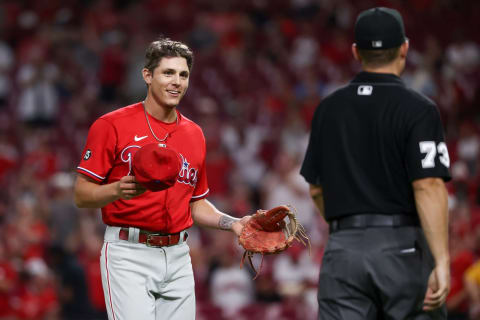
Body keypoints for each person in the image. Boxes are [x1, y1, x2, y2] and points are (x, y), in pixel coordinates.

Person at [74, 38, 249, 320]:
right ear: (147, 75)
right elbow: (81, 194)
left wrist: (233, 224)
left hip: (179, 254)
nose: (176, 81)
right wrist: (116, 189)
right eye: (168, 72)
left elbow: (196, 203)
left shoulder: (194, 134)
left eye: (183, 75)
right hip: (128, 252)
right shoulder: (111, 125)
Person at [300, 7, 451, 319]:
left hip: (343, 248)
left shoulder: (328, 109)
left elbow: (316, 189)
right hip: (402, 248)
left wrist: (351, 235)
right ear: (405, 48)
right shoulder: (419, 109)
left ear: (356, 52)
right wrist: (442, 260)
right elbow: (428, 184)